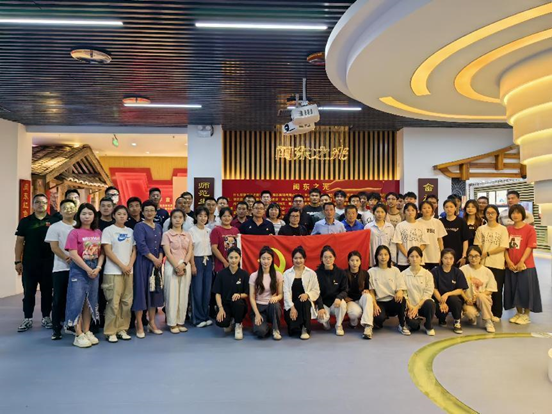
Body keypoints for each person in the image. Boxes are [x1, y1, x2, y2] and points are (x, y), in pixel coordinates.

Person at [64, 203, 104, 348]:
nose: (87, 216)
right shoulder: (74, 233)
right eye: (84, 213)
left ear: (94, 216)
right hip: (79, 270)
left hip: (94, 269)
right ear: (78, 215)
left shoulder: (98, 232)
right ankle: (78, 333)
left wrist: (98, 268)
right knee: (77, 301)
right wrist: (87, 269)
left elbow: (102, 252)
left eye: (90, 214)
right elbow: (73, 254)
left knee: (90, 301)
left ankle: (87, 330)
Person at [14, 193, 55, 332]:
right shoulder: (25, 221)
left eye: (43, 202)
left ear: (47, 205)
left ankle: (46, 317)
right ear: (33, 205)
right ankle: (28, 318)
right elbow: (19, 242)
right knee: (29, 292)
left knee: (47, 292)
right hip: (29, 263)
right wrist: (17, 261)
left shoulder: (53, 221)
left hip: (49, 263)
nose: (40, 204)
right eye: (37, 202)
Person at [101, 205, 136, 343]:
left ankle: (122, 329)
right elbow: (108, 251)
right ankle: (110, 331)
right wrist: (122, 266)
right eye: (119, 214)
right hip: (113, 271)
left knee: (126, 302)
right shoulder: (108, 230)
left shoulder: (130, 231)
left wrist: (129, 266)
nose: (122, 216)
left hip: (128, 271)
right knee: (113, 302)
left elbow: (134, 250)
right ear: (114, 215)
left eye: (124, 214)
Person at [504, 204, 542, 325]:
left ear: (523, 214)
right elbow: (505, 248)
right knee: (513, 289)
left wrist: (521, 261)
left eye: (518, 212)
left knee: (526, 289)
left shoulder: (530, 229)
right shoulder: (508, 229)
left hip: (526, 265)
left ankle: (526, 315)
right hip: (511, 266)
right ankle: (519, 313)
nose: (515, 215)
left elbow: (530, 247)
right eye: (513, 213)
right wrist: (509, 261)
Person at [132, 200, 164, 338]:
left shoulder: (158, 227)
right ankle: (139, 324)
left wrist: (160, 258)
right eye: (146, 210)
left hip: (156, 265)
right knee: (141, 292)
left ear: (156, 212)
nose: (149, 213)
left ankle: (152, 323)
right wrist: (154, 259)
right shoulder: (139, 226)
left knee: (154, 292)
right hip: (143, 263)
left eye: (152, 210)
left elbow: (162, 245)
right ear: (142, 212)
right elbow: (141, 246)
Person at [45, 199, 77, 340]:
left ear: (75, 210)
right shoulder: (55, 227)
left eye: (71, 207)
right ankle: (56, 328)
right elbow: (54, 247)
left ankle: (73, 325)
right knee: (58, 298)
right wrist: (67, 258)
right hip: (60, 268)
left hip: (78, 268)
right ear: (60, 210)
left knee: (75, 298)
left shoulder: (79, 226)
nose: (68, 210)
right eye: (65, 208)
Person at [474, 205, 509, 321]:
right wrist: (480, 257)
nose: (490, 215)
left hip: (498, 263)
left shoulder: (503, 229)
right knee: (483, 288)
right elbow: (478, 245)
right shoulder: (481, 229)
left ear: (497, 214)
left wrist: (487, 253)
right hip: (483, 264)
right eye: (488, 213)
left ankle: (497, 314)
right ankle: (484, 311)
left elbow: (503, 246)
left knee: (497, 290)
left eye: (493, 212)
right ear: (484, 214)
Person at [162, 209, 193, 334]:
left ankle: (181, 321)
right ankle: (172, 323)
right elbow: (167, 252)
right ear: (171, 219)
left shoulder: (187, 235)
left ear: (184, 219)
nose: (177, 220)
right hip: (171, 266)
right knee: (172, 294)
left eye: (180, 217)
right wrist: (176, 266)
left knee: (184, 294)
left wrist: (184, 264)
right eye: (175, 217)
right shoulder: (167, 234)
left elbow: (190, 251)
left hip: (185, 266)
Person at [369, 245, 410, 335]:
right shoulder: (371, 271)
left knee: (402, 299)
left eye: (385, 254)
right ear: (376, 256)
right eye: (380, 254)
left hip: (392, 300)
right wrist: (374, 305)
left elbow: (401, 287)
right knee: (378, 318)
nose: (383, 257)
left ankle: (402, 325)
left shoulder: (395, 270)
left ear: (389, 256)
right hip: (379, 302)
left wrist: (399, 292)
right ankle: (379, 321)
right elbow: (371, 292)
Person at [283, 246, 320, 340]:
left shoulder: (311, 273)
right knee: (293, 332)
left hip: (304, 306)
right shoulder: (287, 274)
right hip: (290, 306)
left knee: (305, 301)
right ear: (292, 259)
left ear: (304, 259)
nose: (298, 260)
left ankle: (305, 328)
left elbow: (316, 290)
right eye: (296, 258)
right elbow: (286, 292)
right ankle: (295, 327)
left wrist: (307, 294)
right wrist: (292, 308)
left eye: (300, 258)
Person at [213, 247, 249, 340]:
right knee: (222, 323)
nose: (233, 260)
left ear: (240, 258)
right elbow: (217, 293)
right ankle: (230, 321)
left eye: (236, 257)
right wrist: (220, 308)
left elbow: (247, 293)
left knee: (238, 302)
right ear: (227, 258)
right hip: (225, 305)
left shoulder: (244, 274)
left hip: (239, 305)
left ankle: (238, 324)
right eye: (231, 257)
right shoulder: (221, 274)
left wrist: (239, 295)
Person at [460, 245, 498, 333]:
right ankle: (474, 316)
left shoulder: (487, 271)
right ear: (467, 257)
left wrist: (477, 296)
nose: (473, 259)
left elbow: (491, 289)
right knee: (470, 313)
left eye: (476, 256)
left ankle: (488, 321)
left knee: (481, 297)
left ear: (480, 257)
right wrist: (466, 299)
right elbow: (459, 289)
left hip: (483, 299)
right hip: (469, 301)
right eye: (471, 256)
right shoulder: (462, 270)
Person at [249, 246, 284, 340]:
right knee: (260, 332)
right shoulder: (254, 276)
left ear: (272, 260)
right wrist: (257, 314)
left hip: (271, 306)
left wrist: (276, 298)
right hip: (259, 308)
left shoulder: (278, 275)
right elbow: (251, 297)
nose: (266, 261)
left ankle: (276, 330)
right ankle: (266, 327)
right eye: (263, 258)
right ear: (259, 260)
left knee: (275, 305)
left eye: (268, 259)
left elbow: (281, 294)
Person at [432, 249, 468, 334]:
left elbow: (460, 290)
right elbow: (434, 289)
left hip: (452, 299)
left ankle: (457, 322)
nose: (448, 261)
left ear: (454, 259)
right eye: (445, 258)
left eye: (451, 258)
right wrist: (442, 301)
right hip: (439, 298)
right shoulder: (435, 271)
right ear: (441, 259)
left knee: (455, 300)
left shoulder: (458, 272)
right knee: (436, 306)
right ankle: (441, 319)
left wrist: (447, 294)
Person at [315, 245, 348, 336]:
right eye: (325, 257)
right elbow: (316, 292)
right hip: (324, 303)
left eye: (330, 257)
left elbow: (345, 290)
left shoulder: (341, 273)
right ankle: (326, 322)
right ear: (321, 259)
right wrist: (320, 307)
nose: (328, 260)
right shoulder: (316, 274)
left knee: (342, 304)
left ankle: (339, 325)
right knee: (322, 318)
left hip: (335, 303)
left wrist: (339, 297)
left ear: (334, 258)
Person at [402, 247, 436, 336]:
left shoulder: (427, 274)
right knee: (414, 325)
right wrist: (410, 307)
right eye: (412, 256)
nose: (414, 259)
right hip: (409, 307)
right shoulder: (403, 274)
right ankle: (413, 322)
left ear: (421, 258)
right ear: (408, 259)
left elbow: (428, 293)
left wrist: (417, 307)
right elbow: (403, 293)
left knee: (430, 304)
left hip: (422, 305)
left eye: (417, 256)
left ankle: (428, 326)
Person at [189, 207, 213, 328]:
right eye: (200, 215)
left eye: (205, 216)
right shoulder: (191, 231)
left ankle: (205, 316)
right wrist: (192, 264)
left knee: (207, 291)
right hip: (197, 260)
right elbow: (190, 250)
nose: (203, 218)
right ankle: (197, 318)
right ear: (196, 217)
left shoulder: (209, 230)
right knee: (197, 290)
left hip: (208, 260)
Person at [344, 251, 374, 339]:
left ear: (360, 262)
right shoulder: (344, 273)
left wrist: (366, 291)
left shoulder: (365, 274)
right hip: (350, 301)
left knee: (368, 296)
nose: (354, 263)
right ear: (348, 262)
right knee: (355, 313)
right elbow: (341, 289)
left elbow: (367, 288)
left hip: (361, 299)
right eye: (352, 260)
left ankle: (368, 327)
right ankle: (353, 322)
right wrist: (345, 298)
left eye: (357, 260)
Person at [392, 203, 428, 271]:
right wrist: (408, 256)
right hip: (404, 260)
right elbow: (398, 243)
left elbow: (424, 244)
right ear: (404, 212)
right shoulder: (400, 225)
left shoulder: (422, 226)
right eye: (408, 210)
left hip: (418, 259)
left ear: (416, 212)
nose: (410, 212)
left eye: (413, 210)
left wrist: (415, 256)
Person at [417, 200, 447, 270]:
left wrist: (442, 254)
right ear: (420, 210)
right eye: (424, 208)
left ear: (432, 210)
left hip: (434, 255)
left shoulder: (437, 222)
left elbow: (440, 240)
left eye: (429, 208)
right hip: (422, 256)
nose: (427, 210)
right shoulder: (417, 222)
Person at [440, 199, 470, 266]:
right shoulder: (440, 222)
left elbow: (465, 240)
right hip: (444, 256)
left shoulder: (461, 222)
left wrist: (464, 256)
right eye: (446, 207)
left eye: (451, 207)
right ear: (444, 208)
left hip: (458, 256)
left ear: (456, 208)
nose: (449, 209)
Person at [210, 207, 239, 272]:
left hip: (234, 264)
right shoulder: (216, 230)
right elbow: (214, 248)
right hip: (220, 265)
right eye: (224, 216)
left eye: (229, 216)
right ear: (220, 217)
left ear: (232, 217)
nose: (227, 218)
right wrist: (224, 262)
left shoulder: (236, 230)